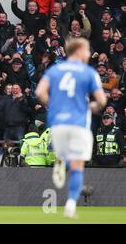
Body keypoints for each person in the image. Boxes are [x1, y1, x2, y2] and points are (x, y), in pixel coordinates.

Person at [36, 37, 107, 218]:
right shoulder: (88, 72)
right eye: (87, 50)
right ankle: (70, 205)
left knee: (66, 156)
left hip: (58, 123)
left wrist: (53, 105)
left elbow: (39, 92)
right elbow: (102, 100)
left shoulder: (55, 70)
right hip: (78, 124)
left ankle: (61, 162)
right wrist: (92, 107)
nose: (89, 53)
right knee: (78, 165)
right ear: (79, 51)